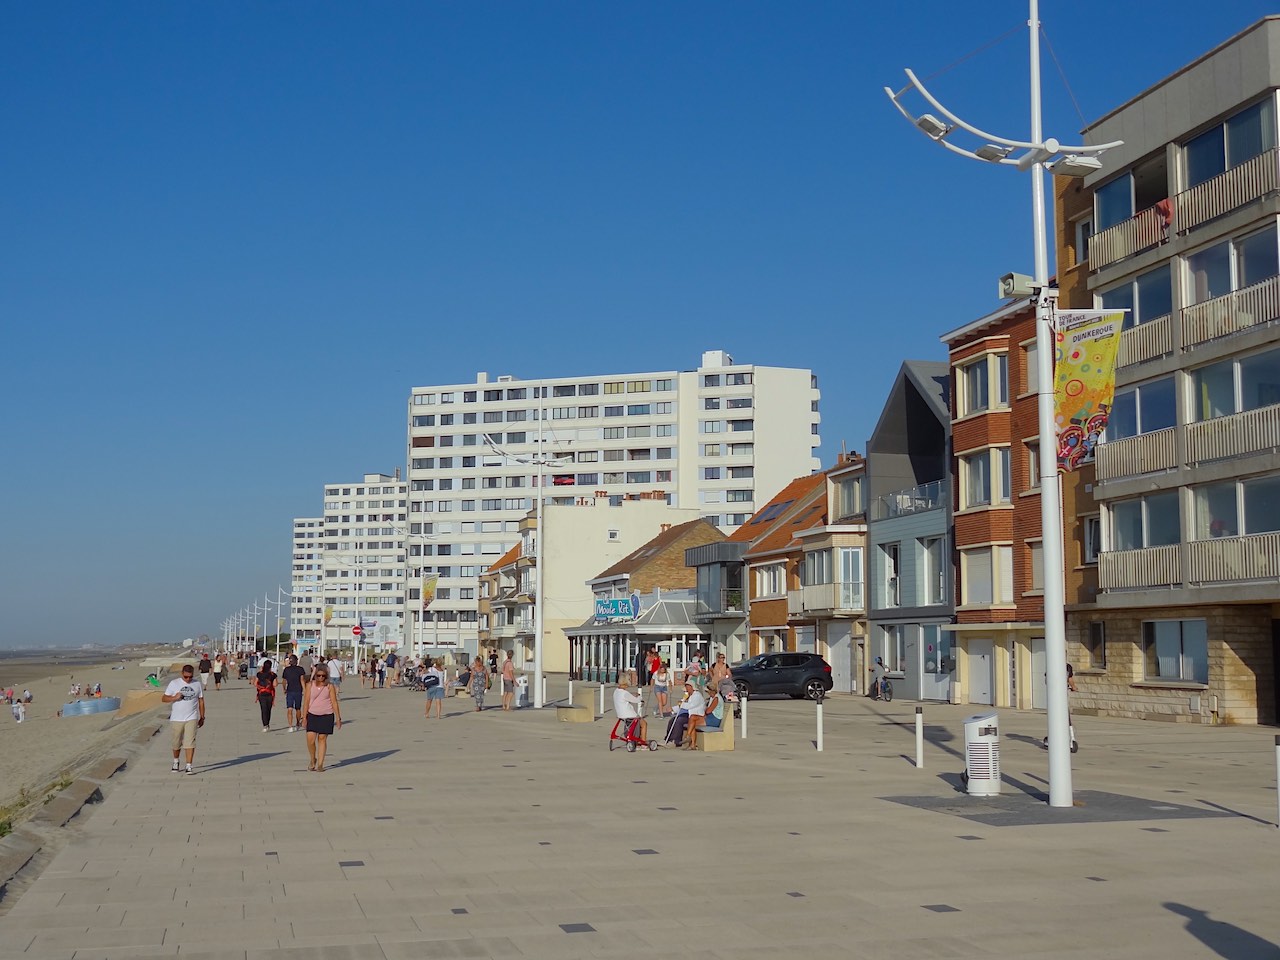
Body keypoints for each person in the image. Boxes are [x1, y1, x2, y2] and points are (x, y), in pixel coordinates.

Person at [161, 664, 205, 775]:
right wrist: (174, 697)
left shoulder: (197, 684)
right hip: (176, 718)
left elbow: (201, 700)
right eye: (186, 677)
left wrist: (202, 716)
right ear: (182, 674)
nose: (188, 679)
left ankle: (189, 765)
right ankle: (176, 761)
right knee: (176, 743)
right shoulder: (174, 683)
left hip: (192, 717)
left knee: (189, 742)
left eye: (190, 677)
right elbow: (164, 698)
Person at [302, 664, 341, 772]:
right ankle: (312, 758)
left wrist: (338, 718)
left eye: (323, 676)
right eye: (318, 675)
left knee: (322, 738)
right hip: (312, 714)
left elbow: (334, 702)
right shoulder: (310, 685)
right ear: (315, 675)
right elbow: (306, 702)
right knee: (310, 740)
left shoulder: (330, 686)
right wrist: (304, 717)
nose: (321, 678)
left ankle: (320, 764)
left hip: (327, 715)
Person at [612, 675, 648, 744]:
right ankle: (643, 742)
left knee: (633, 726)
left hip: (621, 714)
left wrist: (632, 694)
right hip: (630, 715)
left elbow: (624, 697)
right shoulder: (625, 693)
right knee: (644, 724)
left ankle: (637, 738)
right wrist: (640, 697)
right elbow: (636, 700)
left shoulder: (616, 691)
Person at [280, 654, 306, 732]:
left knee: (289, 708)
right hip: (298, 690)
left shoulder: (286, 670)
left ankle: (290, 726)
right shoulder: (300, 669)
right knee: (298, 708)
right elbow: (302, 680)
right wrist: (305, 690)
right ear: (296, 661)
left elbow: (284, 681)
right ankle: (297, 723)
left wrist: (284, 689)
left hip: (290, 690)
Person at [679, 679, 706, 750]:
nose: (687, 689)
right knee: (691, 721)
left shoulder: (697, 695)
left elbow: (690, 706)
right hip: (693, 716)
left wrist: (681, 704)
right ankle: (693, 745)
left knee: (691, 718)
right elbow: (685, 705)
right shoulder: (690, 696)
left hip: (700, 716)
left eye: (688, 687)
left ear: (692, 687)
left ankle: (687, 737)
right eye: (686, 687)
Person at [253, 659, 278, 732]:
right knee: (268, 710)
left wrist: (260, 687)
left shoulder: (259, 674)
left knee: (263, 710)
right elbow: (275, 685)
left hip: (261, 694)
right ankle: (267, 723)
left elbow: (255, 683)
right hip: (270, 694)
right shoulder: (273, 675)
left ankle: (265, 725)